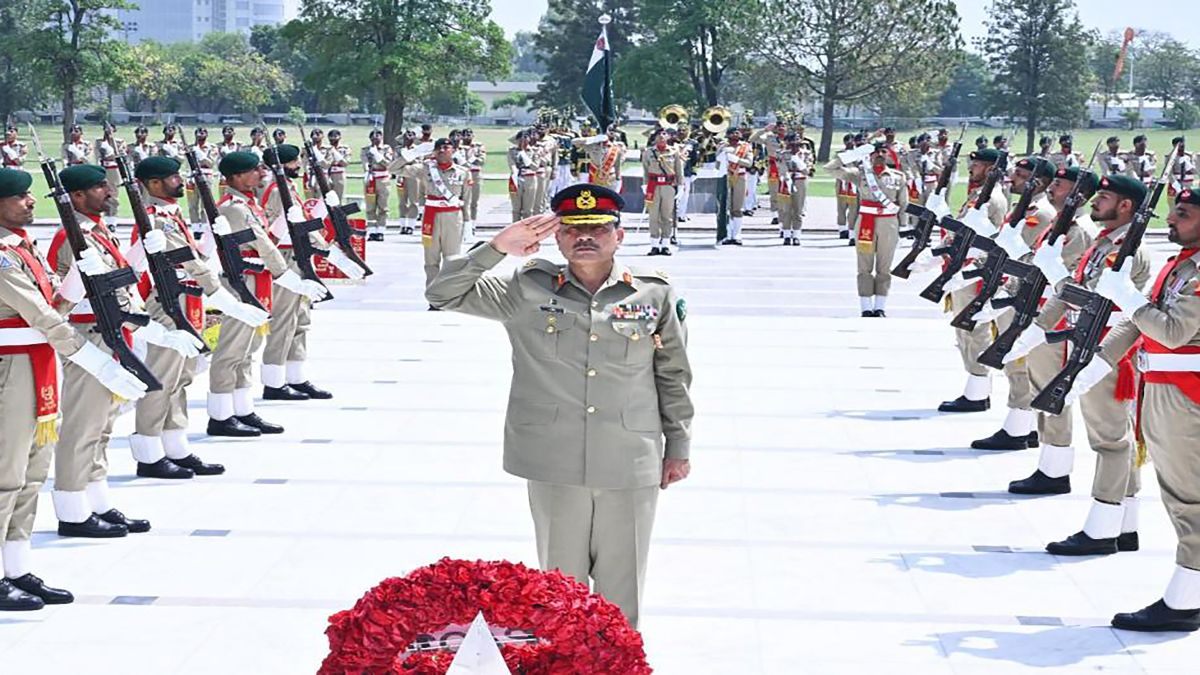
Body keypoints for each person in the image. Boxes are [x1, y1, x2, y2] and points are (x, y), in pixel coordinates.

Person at [426, 183, 694, 629]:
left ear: (619, 235)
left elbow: (673, 374)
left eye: (597, 228)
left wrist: (679, 447)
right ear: (556, 236)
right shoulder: (524, 288)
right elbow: (442, 293)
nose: (584, 237)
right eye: (571, 229)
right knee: (556, 593)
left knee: (621, 592)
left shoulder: (653, 294)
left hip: (628, 457)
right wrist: (495, 248)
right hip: (553, 458)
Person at [0, 168, 144, 609]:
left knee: (31, 474)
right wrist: (93, 359)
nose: (30, 202)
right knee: (6, 477)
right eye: (20, 197)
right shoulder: (3, 257)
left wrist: (72, 285)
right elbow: (40, 315)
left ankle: (16, 567)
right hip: (12, 368)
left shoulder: (24, 248)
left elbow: (53, 307)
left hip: (39, 364)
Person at [48, 165, 202, 538]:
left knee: (102, 427)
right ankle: (72, 509)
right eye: (99, 187)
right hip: (89, 335)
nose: (109, 190)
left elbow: (119, 279)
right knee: (83, 427)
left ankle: (96, 502)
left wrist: (138, 251)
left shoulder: (97, 232)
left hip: (113, 331)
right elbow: (66, 298)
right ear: (78, 197)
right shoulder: (73, 236)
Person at [1004, 174, 1152, 556]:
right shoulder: (1105, 244)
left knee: (1110, 441)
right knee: (1111, 437)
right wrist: (1037, 330)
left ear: (1126, 207)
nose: (1096, 201)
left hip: (1107, 350)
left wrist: (1056, 279)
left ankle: (1104, 528)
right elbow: (1075, 292)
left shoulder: (1128, 250)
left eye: (1104, 196)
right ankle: (1124, 525)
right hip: (1085, 342)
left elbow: (1099, 298)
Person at [1087, 187, 1200, 632]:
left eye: (1184, 214)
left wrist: (1130, 297)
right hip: (1162, 387)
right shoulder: (1180, 264)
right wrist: (1097, 362)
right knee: (1179, 494)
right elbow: (1137, 322)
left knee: (1189, 497)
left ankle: (1187, 599)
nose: (1172, 220)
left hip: (1184, 392)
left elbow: (1173, 332)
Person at [128, 156, 268, 478]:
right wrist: (223, 298)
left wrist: (213, 240)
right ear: (153, 184)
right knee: (162, 380)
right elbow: (188, 263)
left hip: (184, 300)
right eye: (172, 177)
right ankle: (150, 454)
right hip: (165, 303)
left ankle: (176, 447)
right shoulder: (155, 219)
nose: (181, 181)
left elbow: (195, 256)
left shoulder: (169, 214)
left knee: (180, 379)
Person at [206, 151, 328, 437]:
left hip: (256, 280)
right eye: (253, 171)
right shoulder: (234, 208)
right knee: (231, 351)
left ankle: (241, 410)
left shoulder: (247, 204)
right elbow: (263, 244)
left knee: (247, 350)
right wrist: (290, 279)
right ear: (235, 177)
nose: (260, 175)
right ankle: (221, 416)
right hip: (242, 283)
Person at [1006, 166, 1098, 494]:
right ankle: (1048, 463)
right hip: (1042, 312)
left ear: (1079, 195)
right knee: (1039, 389)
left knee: (1051, 393)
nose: (1052, 187)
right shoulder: (1060, 226)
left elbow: (1062, 281)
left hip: (1057, 321)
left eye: (1060, 184)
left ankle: (1056, 471)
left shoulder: (1079, 231)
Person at [259, 144, 362, 399]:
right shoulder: (275, 191)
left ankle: (297, 377)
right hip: (284, 257)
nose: (299, 166)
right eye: (295, 163)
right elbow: (274, 230)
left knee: (300, 320)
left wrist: (323, 208)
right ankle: (274, 382)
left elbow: (303, 220)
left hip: (299, 254)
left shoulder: (289, 189)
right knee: (284, 321)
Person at [968, 157, 1057, 450]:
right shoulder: (1025, 209)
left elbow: (1023, 254)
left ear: (1038, 182)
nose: (1013, 178)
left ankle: (1018, 429)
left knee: (1017, 362)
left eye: (1021, 175)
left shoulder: (1040, 213)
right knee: (1015, 362)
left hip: (1020, 294)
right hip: (1010, 290)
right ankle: (1025, 425)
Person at [938, 148, 1010, 412]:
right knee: (964, 330)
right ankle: (975, 387)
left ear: (991, 170)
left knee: (973, 330)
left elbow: (983, 235)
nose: (972, 168)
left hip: (975, 269)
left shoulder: (991, 198)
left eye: (978, 165)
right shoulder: (979, 194)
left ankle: (978, 392)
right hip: (964, 267)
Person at [825, 140, 907, 317]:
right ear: (869, 155)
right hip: (866, 223)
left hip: (888, 223)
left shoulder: (898, 176)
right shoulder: (860, 174)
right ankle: (866, 307)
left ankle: (880, 306)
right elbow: (830, 169)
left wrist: (904, 229)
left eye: (883, 151)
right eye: (875, 152)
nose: (879, 155)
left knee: (884, 268)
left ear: (888, 155)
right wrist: (851, 155)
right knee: (864, 267)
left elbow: (903, 204)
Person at [405, 138, 471, 289]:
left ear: (453, 150)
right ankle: (433, 296)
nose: (442, 151)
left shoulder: (463, 172)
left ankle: (448, 295)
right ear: (434, 151)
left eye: (446, 147)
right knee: (431, 260)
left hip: (453, 218)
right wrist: (411, 154)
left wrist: (467, 225)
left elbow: (466, 200)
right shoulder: (425, 169)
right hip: (431, 217)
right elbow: (393, 169)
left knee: (452, 260)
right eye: (438, 148)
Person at [642, 130, 682, 256]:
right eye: (659, 135)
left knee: (667, 216)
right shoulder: (648, 152)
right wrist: (644, 184)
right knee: (653, 216)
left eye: (664, 134)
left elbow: (678, 170)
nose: (662, 137)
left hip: (668, 186)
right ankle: (654, 245)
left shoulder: (674, 152)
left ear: (668, 137)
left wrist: (680, 186)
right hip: (653, 186)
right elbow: (645, 170)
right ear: (654, 138)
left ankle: (665, 244)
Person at [720, 128, 754, 245]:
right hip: (726, 177)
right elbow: (716, 162)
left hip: (740, 176)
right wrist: (722, 155)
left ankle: (737, 234)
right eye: (732, 132)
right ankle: (727, 234)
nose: (735, 134)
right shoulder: (722, 146)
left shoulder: (746, 146)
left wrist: (737, 159)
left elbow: (749, 163)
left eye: (737, 132)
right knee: (726, 207)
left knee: (738, 207)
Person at [361, 129, 394, 241]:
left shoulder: (386, 149)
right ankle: (372, 231)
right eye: (373, 136)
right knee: (370, 207)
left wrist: (377, 155)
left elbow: (388, 164)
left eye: (378, 136)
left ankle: (380, 231)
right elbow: (364, 162)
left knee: (383, 207)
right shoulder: (366, 150)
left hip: (383, 180)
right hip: (371, 179)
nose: (376, 138)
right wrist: (367, 169)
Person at [779, 133, 812, 246]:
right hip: (787, 182)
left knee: (798, 209)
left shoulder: (806, 154)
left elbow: (807, 170)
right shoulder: (784, 154)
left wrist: (798, 160)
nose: (794, 147)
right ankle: (787, 235)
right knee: (786, 210)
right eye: (792, 144)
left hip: (800, 181)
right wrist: (787, 177)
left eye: (797, 144)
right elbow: (782, 168)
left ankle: (797, 235)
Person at [187, 127, 217, 227]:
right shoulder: (190, 147)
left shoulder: (212, 148)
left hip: (206, 176)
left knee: (206, 203)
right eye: (199, 132)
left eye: (204, 132)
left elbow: (210, 163)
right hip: (192, 177)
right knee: (192, 205)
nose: (201, 134)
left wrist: (199, 153)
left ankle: (205, 225)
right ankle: (195, 227)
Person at [93, 126, 125, 217]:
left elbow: (118, 154)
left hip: (113, 168)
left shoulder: (119, 141)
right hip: (103, 168)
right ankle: (103, 214)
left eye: (110, 128)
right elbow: (97, 155)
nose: (107, 130)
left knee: (113, 193)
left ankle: (112, 217)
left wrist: (112, 139)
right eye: (106, 128)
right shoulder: (99, 142)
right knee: (102, 193)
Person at [508, 131, 538, 222]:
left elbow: (535, 167)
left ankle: (527, 229)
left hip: (530, 179)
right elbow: (511, 164)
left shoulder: (534, 151)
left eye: (526, 138)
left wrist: (525, 156)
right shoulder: (512, 151)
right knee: (516, 209)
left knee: (528, 209)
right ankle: (515, 229)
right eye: (521, 139)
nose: (523, 141)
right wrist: (515, 174)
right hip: (516, 178)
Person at [835, 133, 858, 242]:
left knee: (854, 208)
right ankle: (842, 228)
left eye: (852, 140)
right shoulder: (839, 154)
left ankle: (852, 230)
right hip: (842, 182)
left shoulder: (858, 154)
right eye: (847, 140)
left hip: (854, 182)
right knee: (841, 207)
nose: (850, 143)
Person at [324, 129, 350, 203]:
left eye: (335, 136)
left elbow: (346, 163)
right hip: (327, 173)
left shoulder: (344, 148)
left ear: (340, 137)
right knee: (326, 197)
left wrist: (335, 153)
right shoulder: (325, 148)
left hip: (339, 174)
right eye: (331, 136)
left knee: (339, 198)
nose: (333, 139)